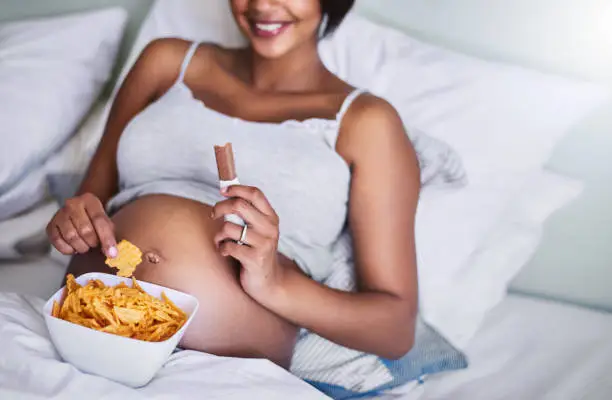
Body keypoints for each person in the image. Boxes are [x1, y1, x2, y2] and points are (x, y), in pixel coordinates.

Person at [46, 0, 420, 369]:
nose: (263, 5)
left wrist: (275, 283)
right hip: (82, 334)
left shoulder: (369, 123)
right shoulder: (165, 62)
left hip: (219, 369)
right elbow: (89, 200)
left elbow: (395, 331)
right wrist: (73, 221)